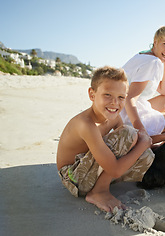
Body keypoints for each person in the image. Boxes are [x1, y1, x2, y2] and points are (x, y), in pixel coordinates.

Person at [56, 66, 154, 213]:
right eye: (107, 95)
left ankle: (100, 184)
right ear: (92, 94)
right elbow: (115, 169)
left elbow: (130, 145)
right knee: (129, 135)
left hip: (92, 168)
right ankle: (98, 192)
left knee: (147, 155)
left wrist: (152, 142)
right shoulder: (85, 124)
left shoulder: (113, 117)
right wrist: (144, 143)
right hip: (74, 178)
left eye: (121, 97)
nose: (115, 103)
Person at [120, 25, 165, 144]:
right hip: (125, 114)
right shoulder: (153, 63)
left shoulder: (144, 55)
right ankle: (153, 143)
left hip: (119, 109)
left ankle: (156, 132)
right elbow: (129, 98)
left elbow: (164, 92)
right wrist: (140, 129)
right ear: (155, 42)